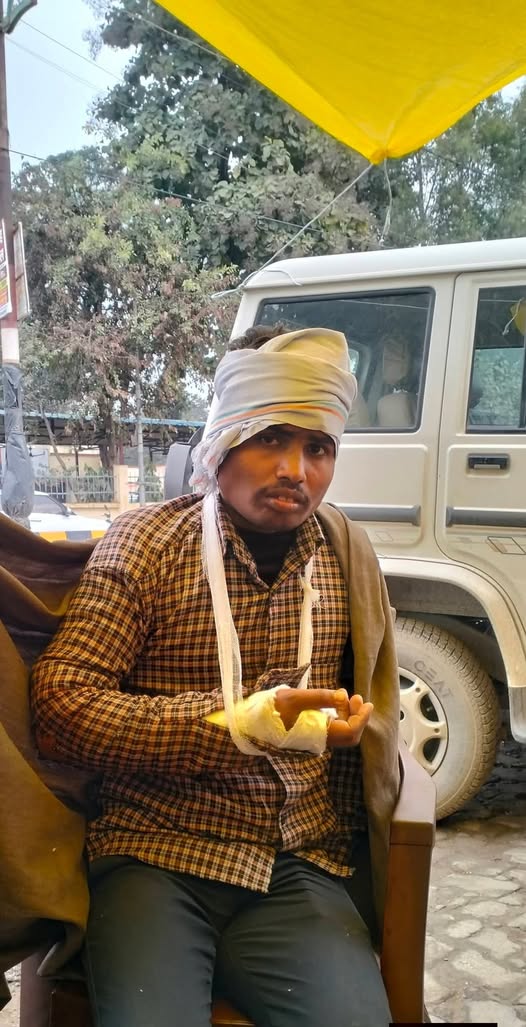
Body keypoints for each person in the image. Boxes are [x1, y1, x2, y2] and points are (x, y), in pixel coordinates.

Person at [31, 324, 400, 1027]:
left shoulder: (345, 557)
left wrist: (352, 728)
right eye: (271, 438)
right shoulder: (147, 543)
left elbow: (372, 715)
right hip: (155, 853)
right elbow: (61, 708)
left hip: (296, 860)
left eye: (318, 447)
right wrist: (239, 725)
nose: (295, 468)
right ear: (223, 440)